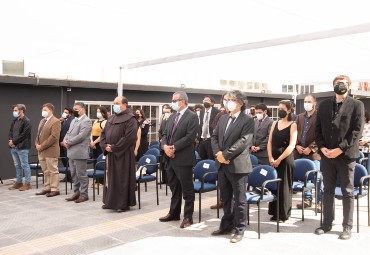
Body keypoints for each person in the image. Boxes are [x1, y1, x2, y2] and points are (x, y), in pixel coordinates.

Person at [314, 75, 364, 240]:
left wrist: (340, 149)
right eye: (337, 83)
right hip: (327, 155)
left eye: (343, 84)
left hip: (346, 156)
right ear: (333, 85)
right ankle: (327, 223)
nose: (339, 86)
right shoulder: (324, 105)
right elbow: (318, 129)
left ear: (348, 86)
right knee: (327, 189)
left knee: (347, 191)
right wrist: (322, 147)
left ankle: (347, 226)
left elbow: (356, 132)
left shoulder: (357, 105)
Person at [210, 90, 254, 243]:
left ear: (240, 103)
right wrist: (218, 154)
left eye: (231, 99)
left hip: (238, 165)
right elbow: (214, 137)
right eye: (226, 99)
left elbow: (244, 141)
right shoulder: (223, 118)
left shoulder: (247, 120)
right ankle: (226, 225)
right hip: (222, 165)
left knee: (240, 199)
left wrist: (226, 155)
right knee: (226, 198)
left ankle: (239, 228)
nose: (227, 101)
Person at [159, 91, 198, 228]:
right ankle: (174, 213)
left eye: (174, 100)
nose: (172, 103)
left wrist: (173, 148)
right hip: (169, 158)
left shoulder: (192, 117)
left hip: (183, 159)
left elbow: (189, 137)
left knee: (187, 190)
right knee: (174, 188)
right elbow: (164, 134)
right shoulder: (172, 117)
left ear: (182, 101)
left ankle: (188, 217)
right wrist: (165, 147)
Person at [100, 96, 138, 212]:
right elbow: (103, 135)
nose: (114, 105)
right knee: (111, 178)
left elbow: (129, 138)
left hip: (123, 154)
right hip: (111, 153)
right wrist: (105, 146)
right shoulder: (111, 118)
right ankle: (110, 201)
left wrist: (115, 147)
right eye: (114, 103)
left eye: (117, 103)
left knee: (122, 179)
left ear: (124, 105)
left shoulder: (131, 119)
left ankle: (122, 204)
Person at [267, 100, 297, 222]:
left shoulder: (293, 124)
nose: (280, 111)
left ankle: (284, 214)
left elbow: (292, 145)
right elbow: (269, 141)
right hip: (272, 158)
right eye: (279, 108)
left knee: (284, 186)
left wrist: (279, 159)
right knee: (274, 186)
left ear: (289, 110)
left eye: (282, 109)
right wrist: (270, 157)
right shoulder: (275, 123)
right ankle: (274, 212)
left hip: (285, 159)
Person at [294, 94, 321, 210]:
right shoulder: (299, 117)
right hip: (299, 152)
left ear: (314, 103)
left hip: (313, 154)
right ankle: (307, 199)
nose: (306, 104)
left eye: (309, 101)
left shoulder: (320, 116)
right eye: (305, 101)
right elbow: (293, 133)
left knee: (317, 178)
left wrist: (311, 148)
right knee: (305, 178)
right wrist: (296, 146)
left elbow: (322, 135)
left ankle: (320, 202)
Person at [63, 102, 92, 203]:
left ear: (83, 109)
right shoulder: (74, 120)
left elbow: (82, 136)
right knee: (74, 174)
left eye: (77, 109)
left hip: (80, 152)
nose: (75, 111)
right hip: (71, 151)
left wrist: (68, 142)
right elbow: (68, 132)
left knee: (81, 175)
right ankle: (76, 193)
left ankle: (84, 194)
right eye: (74, 109)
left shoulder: (86, 121)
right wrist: (64, 141)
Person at [35, 103, 61, 197]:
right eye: (43, 109)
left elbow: (54, 137)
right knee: (45, 171)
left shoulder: (56, 121)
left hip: (50, 150)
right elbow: (38, 134)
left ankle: (55, 189)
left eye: (45, 109)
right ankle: (47, 187)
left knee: (52, 170)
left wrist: (42, 145)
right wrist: (37, 144)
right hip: (41, 150)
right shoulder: (42, 121)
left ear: (50, 110)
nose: (43, 111)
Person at [209, 92, 228, 210]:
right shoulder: (220, 115)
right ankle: (222, 200)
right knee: (222, 181)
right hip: (219, 153)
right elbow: (214, 134)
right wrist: (217, 151)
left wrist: (226, 153)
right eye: (225, 100)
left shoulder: (242, 118)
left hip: (231, 155)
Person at [8, 104, 32, 191]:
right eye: (13, 110)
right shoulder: (14, 121)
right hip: (13, 147)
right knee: (17, 165)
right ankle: (19, 182)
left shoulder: (27, 121)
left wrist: (14, 142)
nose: (14, 112)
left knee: (25, 165)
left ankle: (27, 183)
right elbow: (10, 132)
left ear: (21, 111)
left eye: (15, 110)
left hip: (22, 147)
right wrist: (10, 141)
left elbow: (24, 135)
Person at [90, 106, 108, 187]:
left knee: (100, 162)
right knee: (95, 161)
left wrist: (95, 142)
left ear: (103, 113)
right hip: (93, 142)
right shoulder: (95, 121)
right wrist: (91, 142)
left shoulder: (105, 122)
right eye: (97, 111)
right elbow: (91, 132)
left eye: (99, 112)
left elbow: (103, 135)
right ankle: (96, 179)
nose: (97, 113)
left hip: (100, 143)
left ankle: (101, 181)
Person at [198, 95, 220, 160]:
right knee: (202, 158)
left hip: (211, 139)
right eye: (204, 100)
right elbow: (200, 124)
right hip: (202, 140)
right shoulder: (201, 111)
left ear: (212, 103)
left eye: (207, 100)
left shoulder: (217, 112)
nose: (205, 102)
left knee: (211, 159)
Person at [158, 104, 173, 184]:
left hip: (169, 144)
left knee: (168, 163)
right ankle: (164, 179)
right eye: (165, 112)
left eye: (168, 112)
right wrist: (161, 139)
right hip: (162, 145)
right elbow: (160, 131)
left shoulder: (172, 120)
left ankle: (169, 180)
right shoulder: (163, 119)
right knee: (162, 163)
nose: (166, 113)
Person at [59, 107, 74, 181]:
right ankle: (67, 176)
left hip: (66, 144)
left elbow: (71, 133)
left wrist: (65, 141)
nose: (64, 113)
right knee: (64, 160)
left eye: (66, 112)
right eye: (64, 112)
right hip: (60, 144)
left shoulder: (71, 122)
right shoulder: (62, 121)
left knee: (68, 161)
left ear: (70, 114)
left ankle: (71, 176)